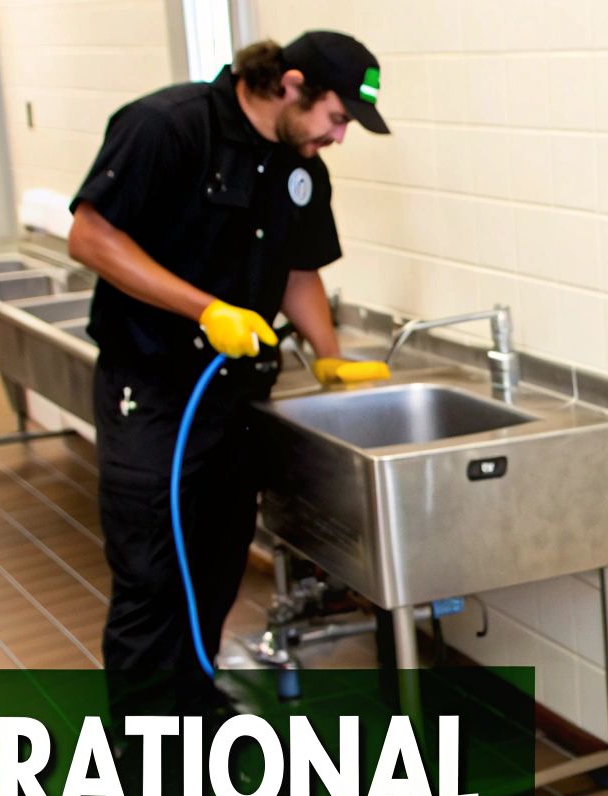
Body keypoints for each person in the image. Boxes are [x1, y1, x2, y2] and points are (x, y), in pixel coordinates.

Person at [68, 31, 391, 694]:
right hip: (153, 389)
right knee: (154, 572)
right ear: (292, 84)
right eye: (336, 119)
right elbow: (91, 237)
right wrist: (205, 310)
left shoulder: (300, 167)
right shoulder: (167, 127)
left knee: (218, 562)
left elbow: (299, 271)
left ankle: (195, 704)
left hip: (235, 397)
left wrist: (330, 359)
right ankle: (146, 756)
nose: (338, 138)